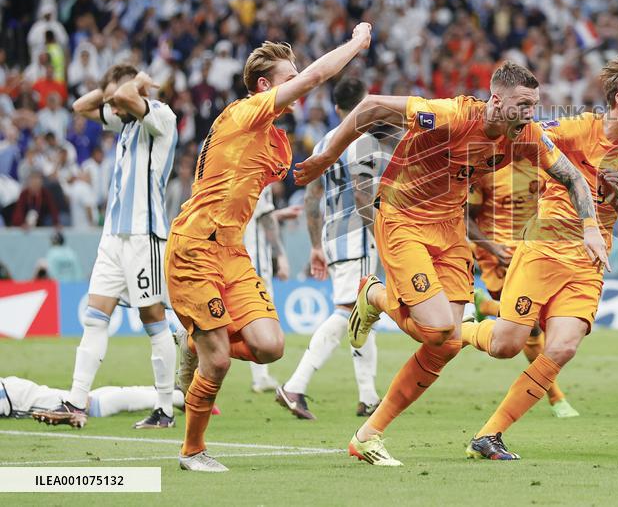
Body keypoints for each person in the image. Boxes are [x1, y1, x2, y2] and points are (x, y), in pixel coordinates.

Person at [293, 61, 608, 466]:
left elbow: (573, 178)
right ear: (497, 100)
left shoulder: (526, 135)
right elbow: (370, 106)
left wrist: (590, 227)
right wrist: (326, 157)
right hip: (402, 218)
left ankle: (368, 435)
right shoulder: (450, 115)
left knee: (449, 343)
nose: (532, 112)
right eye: (524, 104)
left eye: (536, 104)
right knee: (439, 328)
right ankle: (373, 294)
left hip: (450, 229)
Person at [166, 25, 372, 473]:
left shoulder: (275, 137)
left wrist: (336, 151)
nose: (295, 88)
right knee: (219, 360)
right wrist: (355, 44)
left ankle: (196, 340)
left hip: (232, 252)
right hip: (195, 245)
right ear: (264, 86)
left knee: (270, 347)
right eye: (287, 80)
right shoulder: (243, 113)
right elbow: (315, 78)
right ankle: (193, 451)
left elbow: (287, 176)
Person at [461, 55, 618, 461]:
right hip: (543, 251)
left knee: (563, 347)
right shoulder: (574, 128)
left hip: (590, 259)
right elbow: (519, 134)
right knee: (505, 346)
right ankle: (461, 327)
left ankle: (489, 435)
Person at [32, 65, 178, 431]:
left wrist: (132, 86)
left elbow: (129, 97)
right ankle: (75, 401)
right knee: (95, 316)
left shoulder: (159, 115)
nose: (113, 106)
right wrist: (109, 89)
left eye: (118, 99)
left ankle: (165, 407)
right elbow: (81, 106)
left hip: (145, 235)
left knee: (152, 319)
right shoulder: (124, 121)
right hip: (112, 237)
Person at [276, 79, 392, 420]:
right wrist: (381, 236)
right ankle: (295, 386)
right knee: (347, 313)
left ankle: (368, 396)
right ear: (364, 105)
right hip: (358, 237)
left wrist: (315, 246)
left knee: (363, 314)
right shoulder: (364, 140)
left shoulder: (325, 142)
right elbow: (361, 194)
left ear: (337, 108)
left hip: (333, 237)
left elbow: (312, 198)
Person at [468, 153, 580, 418]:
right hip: (499, 256)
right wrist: (492, 248)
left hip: (536, 251)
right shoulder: (486, 167)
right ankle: (556, 398)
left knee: (538, 323)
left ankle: (486, 306)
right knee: (529, 325)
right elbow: (466, 218)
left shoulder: (546, 165)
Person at [244, 183, 300, 393]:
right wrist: (281, 256)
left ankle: (261, 376)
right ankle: (260, 378)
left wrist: (279, 213)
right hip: (254, 261)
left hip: (232, 257)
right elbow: (266, 219)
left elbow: (258, 214)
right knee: (260, 316)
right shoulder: (261, 174)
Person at [4, 376, 185, 420]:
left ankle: (176, 398)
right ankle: (160, 391)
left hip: (16, 397)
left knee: (92, 405)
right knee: (85, 398)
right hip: (13, 389)